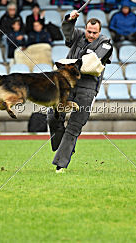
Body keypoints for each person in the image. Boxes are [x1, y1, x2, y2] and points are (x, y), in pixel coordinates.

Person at [47, 10, 113, 173]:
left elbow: (92, 63)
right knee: (52, 115)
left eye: (94, 33)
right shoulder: (78, 36)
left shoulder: (105, 43)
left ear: (100, 31)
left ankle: (60, 164)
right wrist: (69, 20)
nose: (91, 35)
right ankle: (64, 146)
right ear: (85, 29)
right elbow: (68, 31)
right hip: (68, 84)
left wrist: (65, 64)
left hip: (88, 88)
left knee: (75, 125)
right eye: (89, 32)